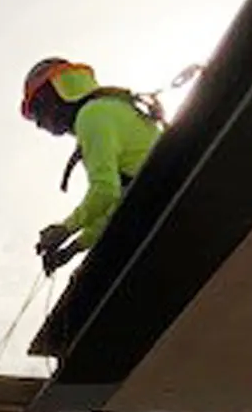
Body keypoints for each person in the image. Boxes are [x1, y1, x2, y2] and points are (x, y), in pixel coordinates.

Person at [21, 59, 163, 274]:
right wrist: (75, 247)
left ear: (54, 96)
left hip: (159, 201)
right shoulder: (106, 108)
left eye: (38, 111)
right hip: (158, 195)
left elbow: (105, 191)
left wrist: (65, 228)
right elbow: (118, 202)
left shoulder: (92, 117)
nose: (40, 124)